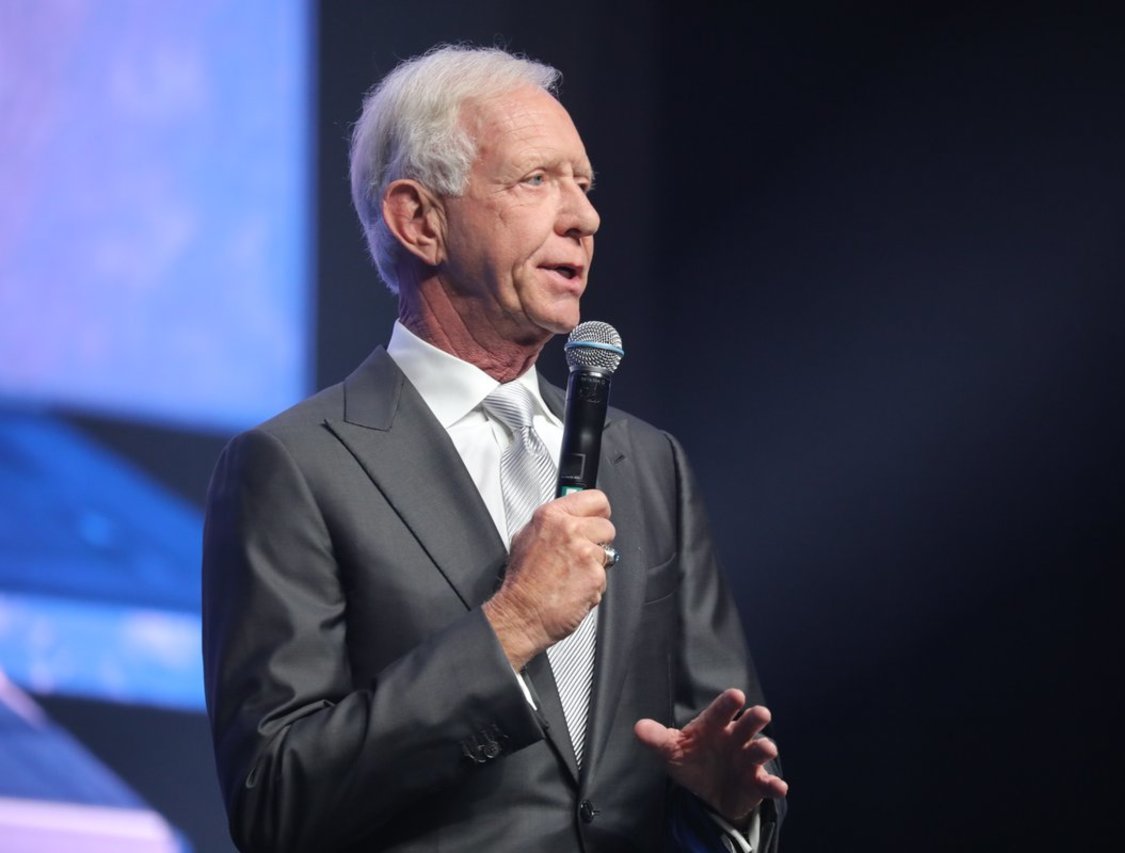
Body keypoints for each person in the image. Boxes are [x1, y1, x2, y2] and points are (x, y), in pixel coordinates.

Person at [202, 44, 786, 852]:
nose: (584, 217)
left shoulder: (651, 464)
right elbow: (274, 801)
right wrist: (510, 624)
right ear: (420, 220)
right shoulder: (296, 468)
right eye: (536, 179)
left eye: (585, 185)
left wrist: (725, 809)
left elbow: (707, 751)